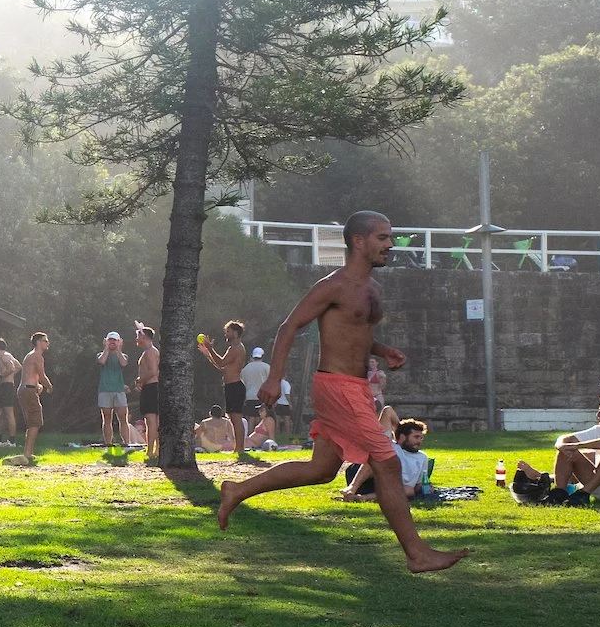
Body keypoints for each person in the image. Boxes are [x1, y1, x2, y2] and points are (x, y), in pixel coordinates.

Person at [216, 211, 468, 573]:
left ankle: (237, 490)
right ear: (358, 241)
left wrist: (382, 350)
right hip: (337, 386)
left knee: (322, 470)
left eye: (390, 237)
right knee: (388, 462)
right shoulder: (333, 285)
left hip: (356, 387)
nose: (390, 244)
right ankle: (417, 554)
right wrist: (275, 378)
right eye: (382, 237)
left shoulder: (372, 288)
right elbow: (289, 326)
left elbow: (356, 333)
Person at [516, 393, 600, 503]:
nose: (597, 414)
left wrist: (577, 445)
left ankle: (583, 493)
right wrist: (561, 446)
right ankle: (559, 493)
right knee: (567, 449)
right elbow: (566, 439)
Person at [195, 321, 253, 464]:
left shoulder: (237, 348)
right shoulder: (232, 348)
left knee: (237, 419)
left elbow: (221, 362)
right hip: (230, 386)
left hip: (235, 387)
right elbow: (222, 367)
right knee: (233, 419)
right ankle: (238, 448)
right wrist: (208, 353)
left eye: (228, 331)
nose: (225, 334)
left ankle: (240, 449)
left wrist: (210, 348)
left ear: (235, 333)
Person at [347, 417, 433, 499]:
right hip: (368, 478)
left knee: (409, 490)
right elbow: (388, 411)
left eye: (421, 438)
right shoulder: (390, 445)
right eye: (416, 437)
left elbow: (418, 485)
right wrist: (400, 429)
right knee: (377, 457)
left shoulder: (422, 457)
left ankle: (362, 498)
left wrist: (426, 486)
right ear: (402, 437)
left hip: (394, 487)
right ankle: (352, 488)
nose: (419, 441)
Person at [18, 331, 53, 458]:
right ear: (38, 342)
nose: (48, 343)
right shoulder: (37, 356)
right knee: (35, 422)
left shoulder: (31, 356)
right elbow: (42, 376)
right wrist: (49, 386)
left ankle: (28, 453)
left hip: (26, 389)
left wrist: (38, 385)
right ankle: (28, 453)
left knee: (32, 422)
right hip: (28, 390)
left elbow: (32, 374)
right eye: (45, 341)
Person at [94, 332, 129, 452]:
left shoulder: (122, 355)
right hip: (104, 390)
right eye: (110, 340)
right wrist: (106, 348)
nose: (112, 342)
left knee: (123, 418)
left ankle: (126, 443)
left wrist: (118, 349)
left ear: (119, 341)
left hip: (119, 390)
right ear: (106, 341)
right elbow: (101, 361)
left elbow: (124, 363)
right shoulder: (101, 354)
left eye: (115, 340)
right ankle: (108, 444)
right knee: (107, 418)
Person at [132, 324, 162, 459]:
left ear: (144, 337)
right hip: (152, 387)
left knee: (151, 421)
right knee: (154, 421)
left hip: (151, 388)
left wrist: (140, 380)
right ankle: (156, 450)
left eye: (138, 336)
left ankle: (151, 450)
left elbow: (153, 371)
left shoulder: (150, 352)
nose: (136, 339)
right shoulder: (151, 351)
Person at [0, 337, 22, 443]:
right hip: (3, 386)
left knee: (9, 413)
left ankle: (12, 440)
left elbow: (12, 368)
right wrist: (9, 375)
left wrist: (2, 375)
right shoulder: (7, 356)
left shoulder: (4, 356)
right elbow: (18, 366)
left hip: (8, 386)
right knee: (0, 411)